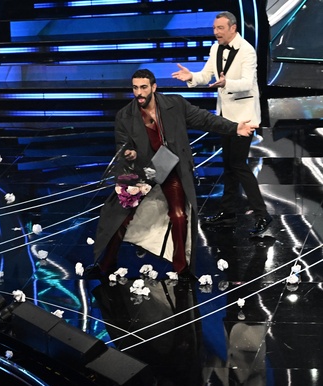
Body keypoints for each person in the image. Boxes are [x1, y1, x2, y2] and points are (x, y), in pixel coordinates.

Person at [88, 68, 257, 280]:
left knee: (179, 215)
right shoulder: (125, 115)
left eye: (143, 87)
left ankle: (181, 268)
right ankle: (106, 263)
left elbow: (205, 119)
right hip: (142, 171)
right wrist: (129, 155)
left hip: (169, 166)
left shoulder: (174, 104)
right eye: (135, 88)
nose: (139, 92)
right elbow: (123, 147)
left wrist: (234, 128)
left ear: (154, 87)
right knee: (120, 217)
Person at [172, 11, 271, 236]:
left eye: (220, 28)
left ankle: (262, 214)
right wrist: (192, 77)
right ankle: (228, 213)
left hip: (244, 116)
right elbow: (206, 75)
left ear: (233, 28)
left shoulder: (247, 50)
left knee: (238, 164)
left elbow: (247, 83)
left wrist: (227, 83)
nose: (216, 32)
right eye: (214, 28)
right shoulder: (215, 48)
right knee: (229, 165)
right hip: (225, 118)